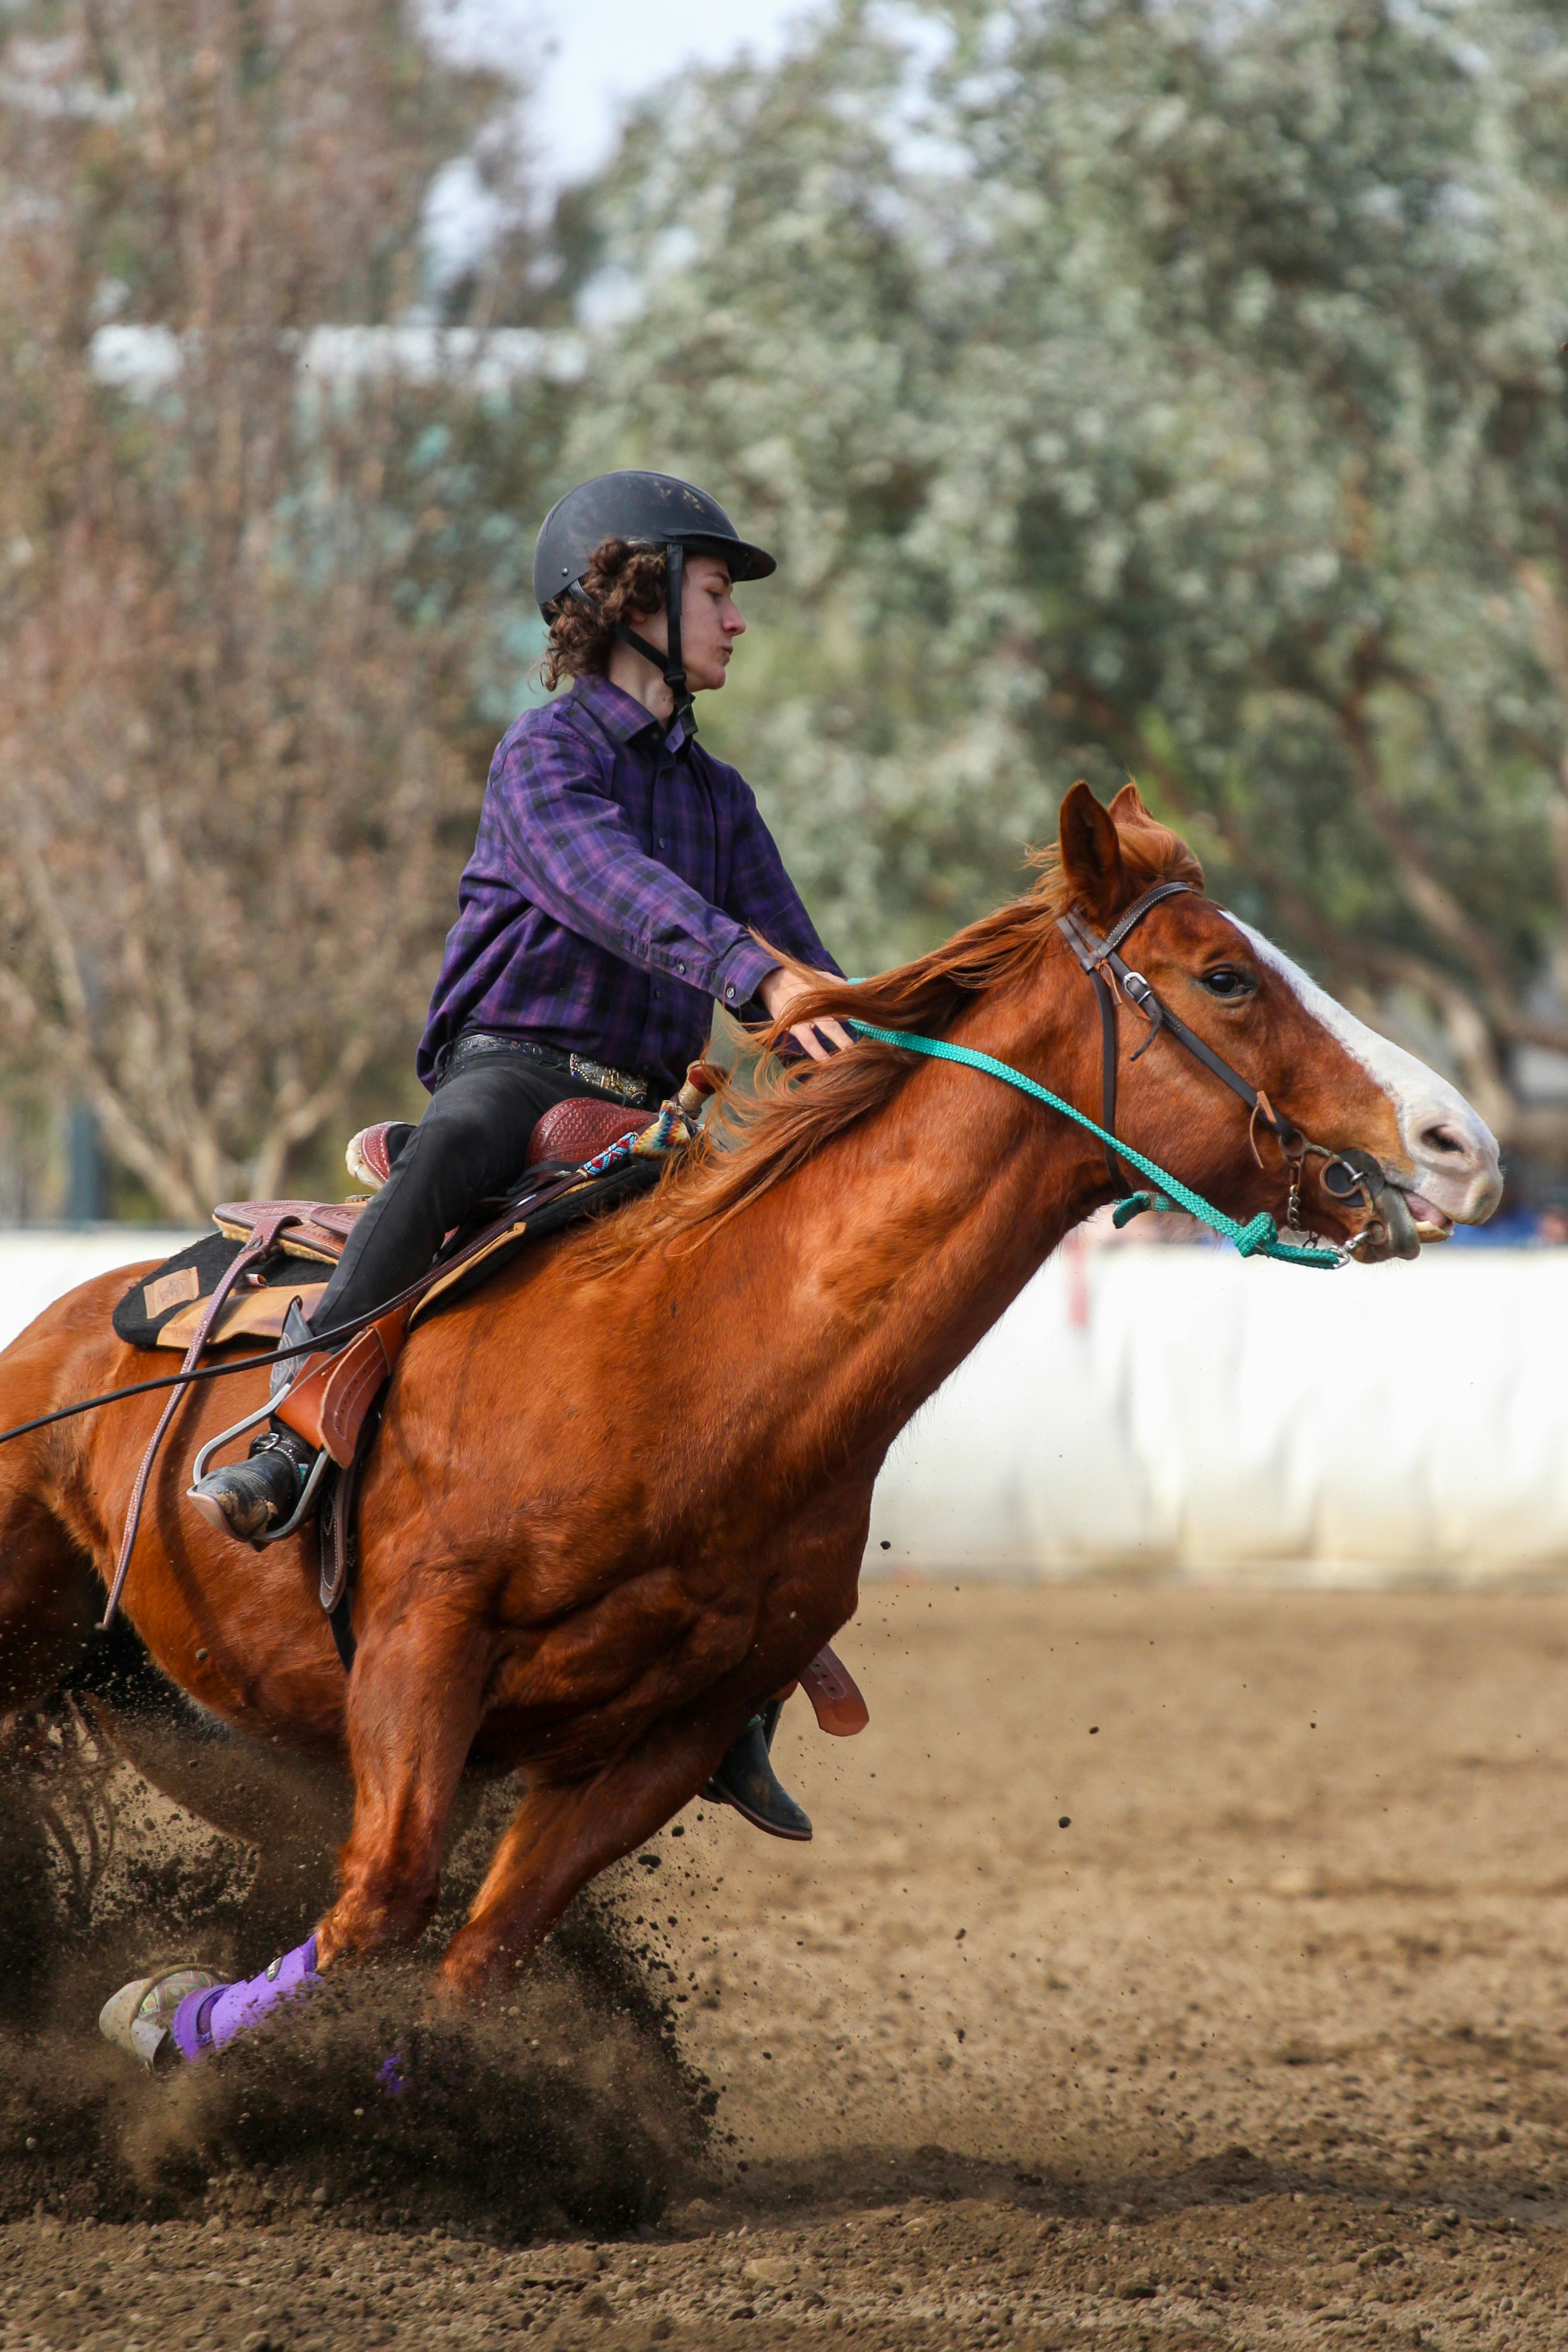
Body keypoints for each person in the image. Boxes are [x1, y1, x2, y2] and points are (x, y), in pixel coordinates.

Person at [188, 468, 852, 1837]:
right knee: (450, 1154)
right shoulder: (545, 757)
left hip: (654, 1121)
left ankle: (736, 1687)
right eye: (719, 590)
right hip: (517, 1072)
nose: (739, 619)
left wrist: (880, 1050)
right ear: (634, 599)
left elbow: (804, 959)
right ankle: (296, 1426)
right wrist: (750, 976)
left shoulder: (723, 801)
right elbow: (616, 887)